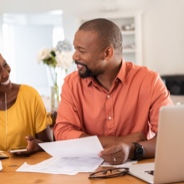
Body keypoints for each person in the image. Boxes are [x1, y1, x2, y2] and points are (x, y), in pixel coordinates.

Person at [53, 18, 173, 165]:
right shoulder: (72, 84)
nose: (75, 56)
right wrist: (119, 141)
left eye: (81, 50)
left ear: (107, 53)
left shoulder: (149, 81)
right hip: (86, 172)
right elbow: (62, 133)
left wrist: (131, 149)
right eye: (75, 48)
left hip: (136, 169)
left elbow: (169, 137)